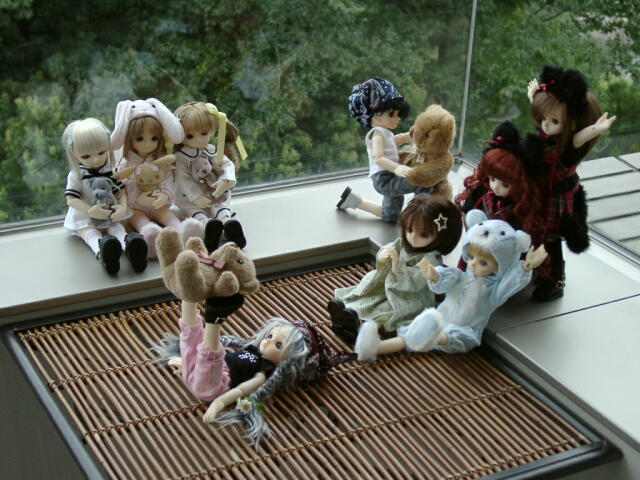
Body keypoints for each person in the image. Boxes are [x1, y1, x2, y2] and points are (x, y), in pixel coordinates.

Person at [356, 210, 547, 362]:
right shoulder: (459, 276)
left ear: (500, 266)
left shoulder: (493, 291)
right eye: (470, 257)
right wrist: (434, 276)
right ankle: (374, 349)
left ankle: (430, 335)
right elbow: (441, 285)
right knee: (408, 334)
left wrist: (525, 267)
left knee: (451, 335)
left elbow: (510, 284)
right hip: (441, 318)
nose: (473, 264)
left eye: (483, 263)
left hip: (466, 330)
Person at [328, 195, 463, 360]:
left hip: (410, 295)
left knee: (386, 310)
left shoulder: (431, 259)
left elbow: (416, 282)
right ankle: (346, 316)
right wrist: (383, 256)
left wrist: (397, 268)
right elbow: (389, 250)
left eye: (424, 234)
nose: (413, 237)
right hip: (387, 284)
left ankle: (356, 326)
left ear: (441, 237)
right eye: (409, 230)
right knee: (368, 294)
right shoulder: (402, 244)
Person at [526, 65, 615, 301]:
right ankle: (535, 269)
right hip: (538, 194)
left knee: (551, 239)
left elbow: (580, 137)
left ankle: (556, 279)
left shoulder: (568, 148)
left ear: (573, 124)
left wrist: (595, 130)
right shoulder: (545, 137)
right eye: (542, 118)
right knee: (533, 233)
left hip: (554, 199)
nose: (545, 124)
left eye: (554, 120)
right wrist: (535, 97)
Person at [337, 77, 431, 222]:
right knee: (420, 182)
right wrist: (397, 168)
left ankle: (353, 201)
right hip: (385, 178)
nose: (397, 118)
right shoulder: (377, 135)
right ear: (374, 115)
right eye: (392, 114)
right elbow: (378, 158)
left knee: (391, 215)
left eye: (398, 114)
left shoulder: (384, 133)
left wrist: (409, 136)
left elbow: (395, 141)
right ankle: (421, 214)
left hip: (389, 175)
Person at [62, 118, 146, 274]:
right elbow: (71, 199)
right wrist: (90, 211)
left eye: (101, 152)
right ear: (73, 154)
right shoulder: (76, 175)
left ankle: (131, 248)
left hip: (109, 211)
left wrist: (122, 206)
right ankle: (104, 252)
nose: (95, 159)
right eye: (86, 156)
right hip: (85, 215)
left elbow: (120, 191)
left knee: (117, 227)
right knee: (90, 233)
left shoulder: (108, 170)